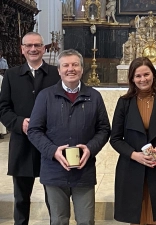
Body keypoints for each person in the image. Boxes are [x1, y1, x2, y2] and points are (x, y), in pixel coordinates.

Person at [27, 49, 111, 225]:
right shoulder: (45, 96)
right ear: (59, 70)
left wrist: (90, 148)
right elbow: (34, 130)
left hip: (84, 170)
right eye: (65, 65)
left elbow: (103, 129)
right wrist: (53, 151)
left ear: (82, 68)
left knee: (86, 220)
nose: (70, 69)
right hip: (54, 169)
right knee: (58, 220)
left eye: (75, 64)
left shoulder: (94, 96)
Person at [110, 57, 156, 224]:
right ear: (132, 79)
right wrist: (134, 155)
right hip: (133, 168)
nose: (143, 79)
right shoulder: (124, 103)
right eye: (138, 76)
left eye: (146, 74)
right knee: (137, 216)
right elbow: (115, 139)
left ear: (153, 75)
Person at [0, 32, 59, 225]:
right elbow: (3, 108)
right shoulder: (11, 75)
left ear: (44, 48)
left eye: (37, 45)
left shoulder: (55, 74)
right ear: (22, 49)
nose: (33, 49)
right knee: (21, 198)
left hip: (50, 144)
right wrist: (19, 123)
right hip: (21, 144)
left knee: (54, 197)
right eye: (28, 46)